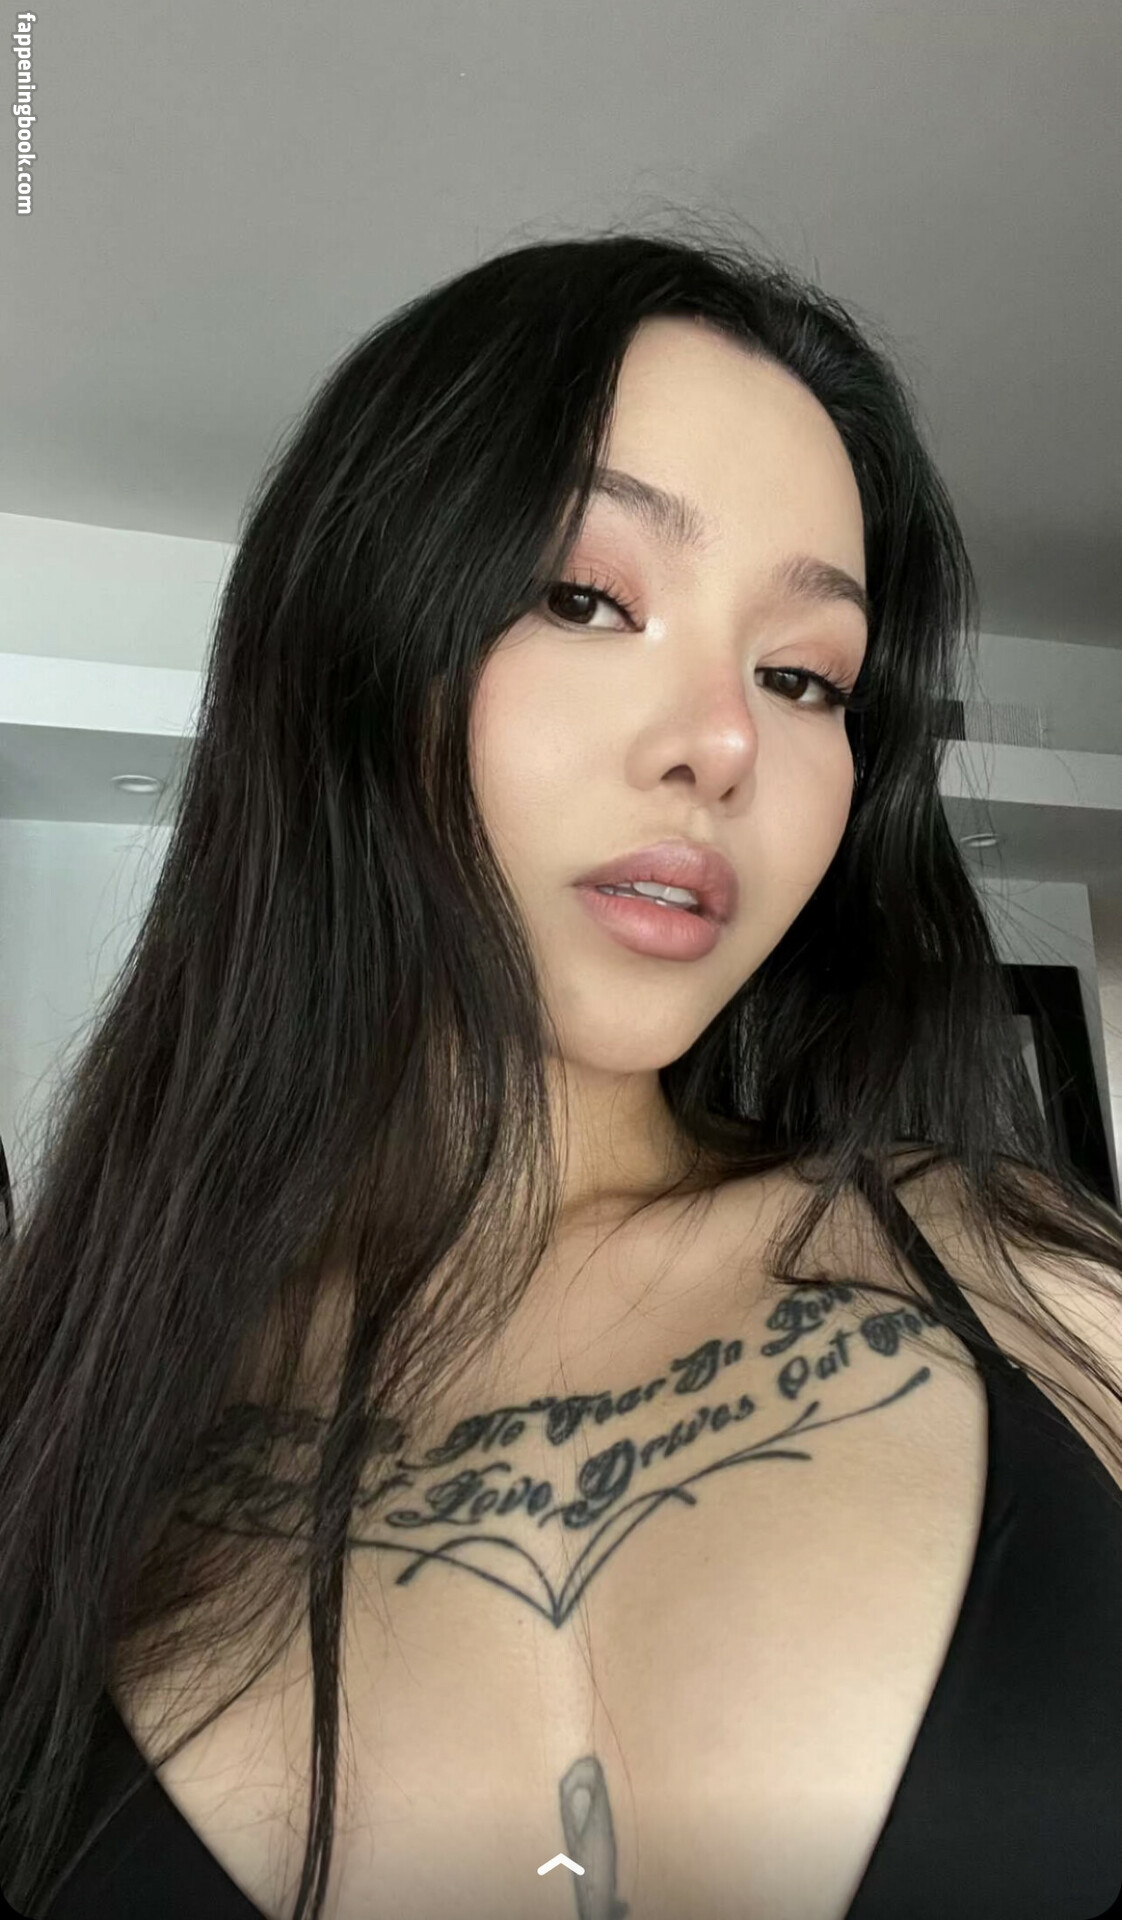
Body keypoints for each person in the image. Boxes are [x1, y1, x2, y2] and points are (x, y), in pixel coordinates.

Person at [2, 215, 1121, 1920]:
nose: (725, 743)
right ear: (347, 652)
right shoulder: (61, 1434)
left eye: (802, 675)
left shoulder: (1036, 1292)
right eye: (585, 597)